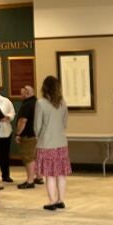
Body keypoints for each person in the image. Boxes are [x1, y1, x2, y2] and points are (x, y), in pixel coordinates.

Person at [34, 76, 71, 210]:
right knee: (61, 173)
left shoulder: (41, 103)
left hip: (46, 144)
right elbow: (65, 123)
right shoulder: (63, 103)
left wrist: (38, 136)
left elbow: (37, 126)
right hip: (61, 143)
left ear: (44, 88)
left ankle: (52, 201)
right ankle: (61, 200)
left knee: (49, 174)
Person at [0, 83, 16, 183]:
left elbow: (12, 112)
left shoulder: (6, 101)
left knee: (5, 155)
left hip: (5, 132)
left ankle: (6, 175)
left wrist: (8, 117)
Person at [15, 85, 38, 189]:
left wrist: (18, 133)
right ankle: (39, 176)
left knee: (28, 158)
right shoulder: (38, 103)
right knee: (35, 157)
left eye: (22, 93)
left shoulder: (26, 105)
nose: (20, 95)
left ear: (27, 93)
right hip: (37, 135)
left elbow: (22, 121)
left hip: (28, 135)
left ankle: (30, 180)